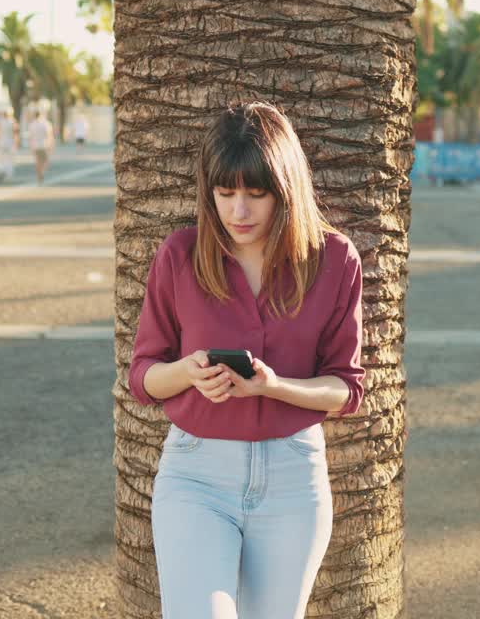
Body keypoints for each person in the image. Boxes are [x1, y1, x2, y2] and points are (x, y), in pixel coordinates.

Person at [128, 102, 365, 619]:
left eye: (256, 194)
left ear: (285, 189)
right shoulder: (181, 256)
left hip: (292, 479)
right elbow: (144, 376)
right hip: (196, 477)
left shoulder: (335, 259)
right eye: (225, 193)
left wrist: (274, 387)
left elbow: (346, 388)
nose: (238, 211)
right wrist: (187, 371)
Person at [26, 108, 55, 183]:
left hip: (35, 145)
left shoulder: (32, 124)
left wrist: (30, 146)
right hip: (44, 144)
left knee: (38, 161)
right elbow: (49, 134)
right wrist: (51, 145)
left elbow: (30, 136)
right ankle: (41, 172)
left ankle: (39, 173)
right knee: (45, 160)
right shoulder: (46, 123)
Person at [0, 110, 17, 183]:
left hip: (1, 141)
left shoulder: (0, 121)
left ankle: (1, 169)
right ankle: (8, 173)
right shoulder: (12, 121)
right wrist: (16, 142)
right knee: (9, 159)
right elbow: (15, 132)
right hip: (10, 142)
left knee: (0, 158)